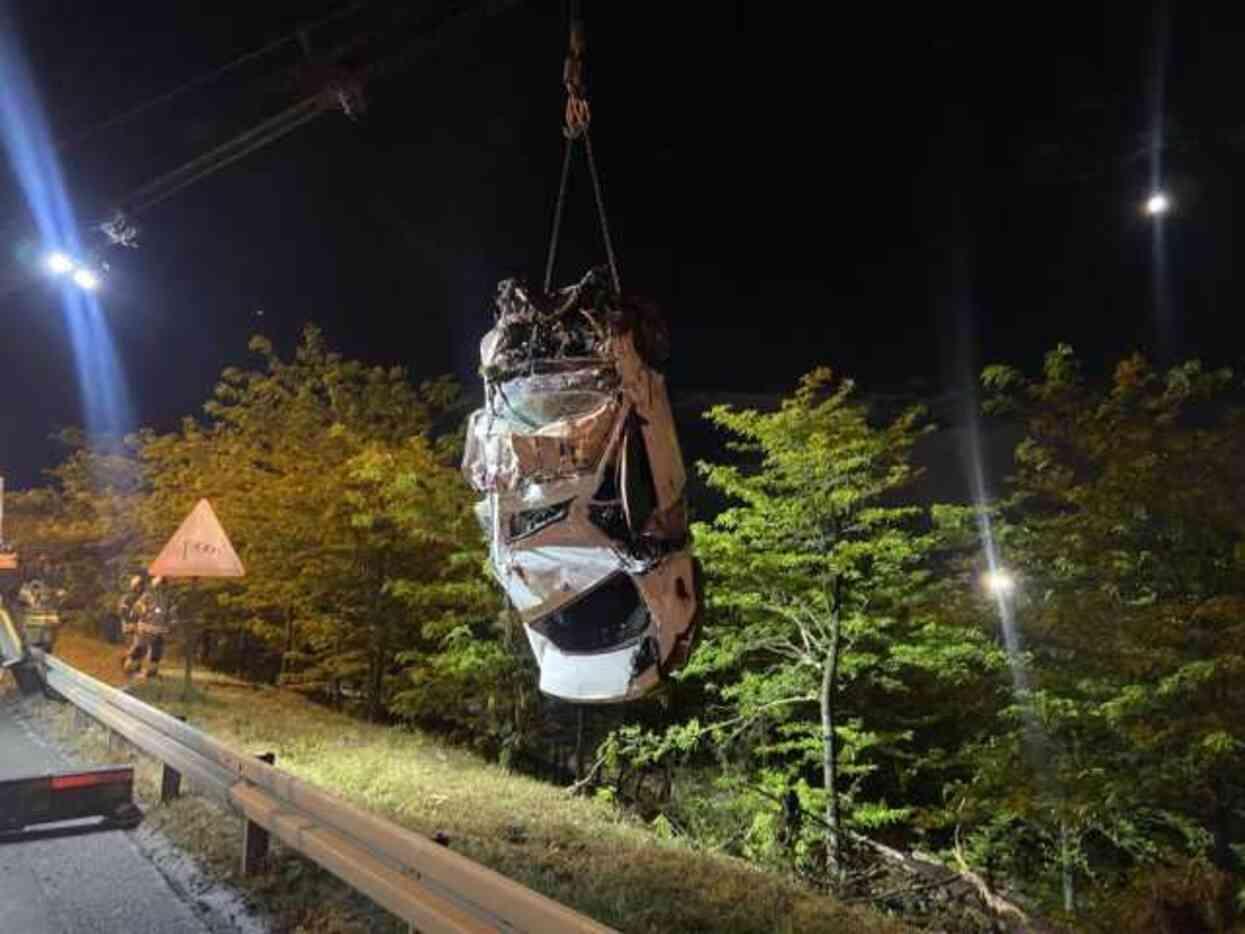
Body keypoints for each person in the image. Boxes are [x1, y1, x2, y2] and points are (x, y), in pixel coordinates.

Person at [124, 575, 172, 678]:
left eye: (164, 584)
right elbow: (135, 610)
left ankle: (151, 672)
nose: (162, 587)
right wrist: (143, 612)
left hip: (158, 630)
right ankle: (129, 669)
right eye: (160, 585)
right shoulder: (147, 596)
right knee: (139, 650)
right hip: (145, 629)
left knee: (155, 652)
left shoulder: (166, 598)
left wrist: (168, 623)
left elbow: (168, 614)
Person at [117, 574, 145, 666]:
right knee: (133, 646)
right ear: (134, 586)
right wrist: (130, 623)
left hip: (139, 626)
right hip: (129, 626)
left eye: (141, 585)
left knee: (141, 646)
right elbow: (122, 611)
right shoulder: (127, 597)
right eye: (138, 585)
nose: (140, 587)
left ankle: (136, 665)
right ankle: (125, 663)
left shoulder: (142, 597)